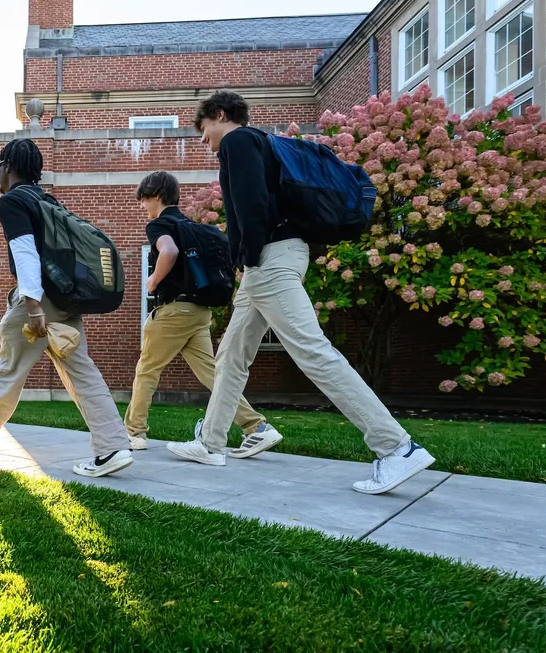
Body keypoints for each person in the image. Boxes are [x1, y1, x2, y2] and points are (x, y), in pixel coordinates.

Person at [166, 92, 435, 495]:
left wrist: (249, 254)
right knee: (232, 355)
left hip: (269, 261)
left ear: (220, 115)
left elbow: (251, 205)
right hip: (270, 262)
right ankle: (211, 443)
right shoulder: (265, 145)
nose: (204, 142)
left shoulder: (239, 142)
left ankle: (396, 447)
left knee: (313, 351)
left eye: (204, 131)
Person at [0, 138, 134, 477]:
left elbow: (26, 254)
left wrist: (33, 307)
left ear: (7, 166)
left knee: (10, 367)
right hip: (67, 299)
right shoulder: (47, 200)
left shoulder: (12, 201)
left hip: (39, 300)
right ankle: (113, 447)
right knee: (83, 372)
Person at [125, 170, 283, 457]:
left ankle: (134, 434)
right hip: (199, 312)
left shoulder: (160, 225)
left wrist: (153, 280)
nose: (142, 205)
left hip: (173, 311)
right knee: (213, 374)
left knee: (146, 370)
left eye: (144, 199)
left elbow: (168, 252)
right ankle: (257, 428)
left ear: (157, 196)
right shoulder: (193, 227)